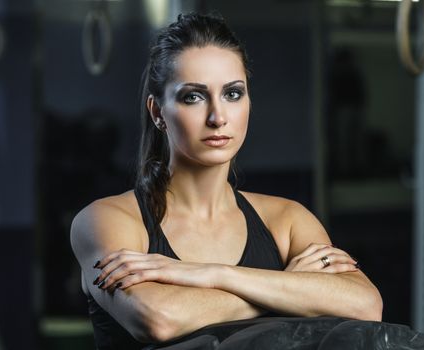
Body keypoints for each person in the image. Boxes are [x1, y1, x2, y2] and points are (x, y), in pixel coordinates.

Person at [70, 13, 382, 349]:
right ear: (158, 112)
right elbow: (158, 319)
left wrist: (215, 274)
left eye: (233, 94)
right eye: (194, 96)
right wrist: (287, 287)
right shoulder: (107, 219)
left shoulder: (286, 219)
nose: (218, 117)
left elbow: (365, 305)